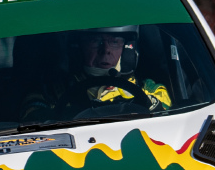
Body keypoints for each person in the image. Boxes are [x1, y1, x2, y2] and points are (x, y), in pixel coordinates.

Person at [25, 26, 173, 120]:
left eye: (114, 42)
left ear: (127, 49)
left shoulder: (149, 89)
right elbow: (32, 117)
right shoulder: (53, 92)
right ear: (77, 48)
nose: (106, 50)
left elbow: (169, 119)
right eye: (95, 42)